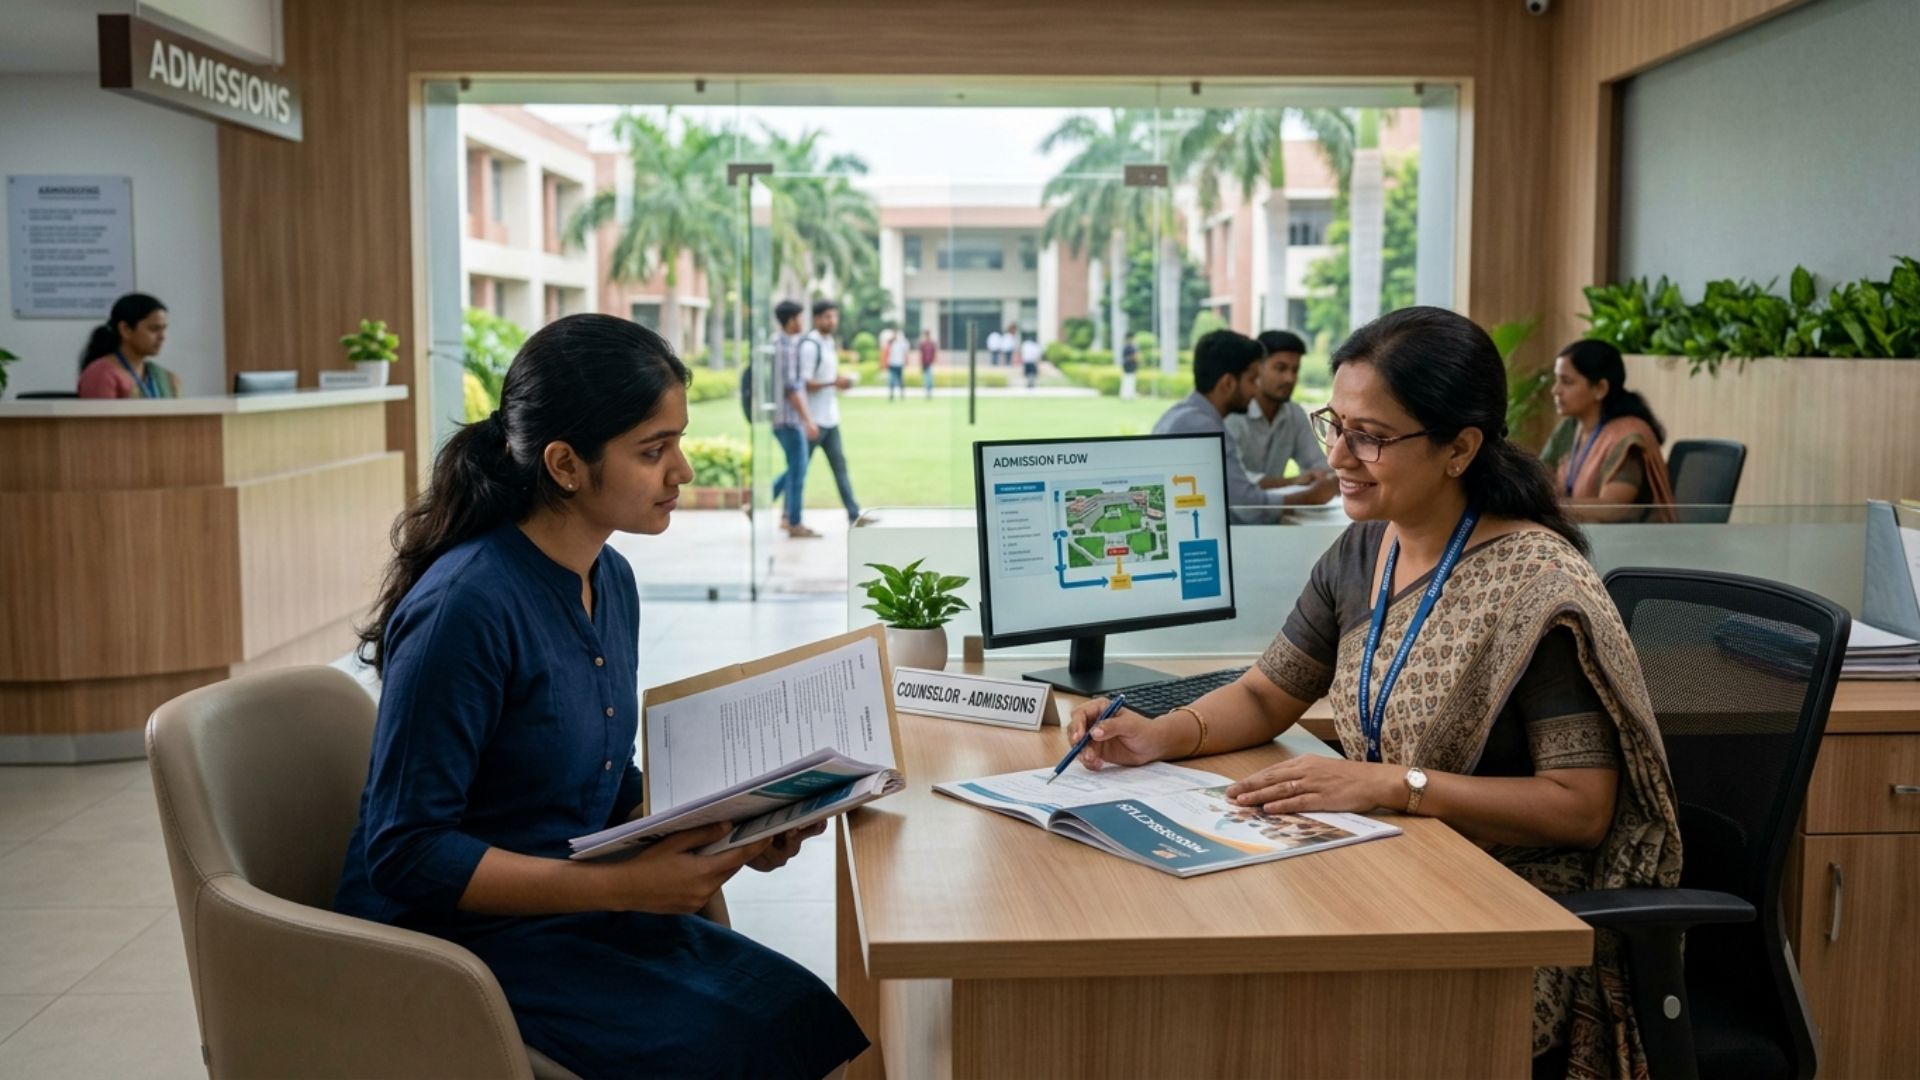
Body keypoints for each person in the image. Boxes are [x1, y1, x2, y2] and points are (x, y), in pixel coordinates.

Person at [1073, 306, 1681, 1077]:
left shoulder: (1537, 588)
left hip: (1512, 910)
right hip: (1396, 867)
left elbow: (1581, 807)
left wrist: (1397, 785)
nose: (1338, 456)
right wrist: (1160, 734)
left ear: (1459, 447)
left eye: (1371, 436)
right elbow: (1267, 693)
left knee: (1293, 1019)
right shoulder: (1364, 547)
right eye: (1336, 424)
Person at [334, 313, 868, 1078]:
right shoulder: (467, 608)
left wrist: (739, 822)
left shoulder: (608, 579)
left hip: (572, 907)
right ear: (565, 464)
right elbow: (407, 853)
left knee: (807, 1013)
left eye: (678, 442)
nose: (681, 471)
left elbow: (603, 785)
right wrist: (623, 886)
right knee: (743, 1045)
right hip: (451, 944)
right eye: (654, 451)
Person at [1151, 329, 1326, 522]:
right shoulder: (1203, 427)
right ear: (1228, 384)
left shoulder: (1184, 416)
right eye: (1252, 380)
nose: (1254, 389)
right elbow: (1246, 504)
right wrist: (1309, 497)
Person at [1541, 340, 1676, 522]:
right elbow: (1539, 480)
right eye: (1556, 380)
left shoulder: (1628, 436)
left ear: (1600, 388)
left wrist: (1549, 507)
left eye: (1567, 382)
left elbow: (1613, 509)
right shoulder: (1569, 428)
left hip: (1633, 543)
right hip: (1585, 534)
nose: (1555, 390)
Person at [771, 300, 862, 525]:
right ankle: (783, 513)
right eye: (828, 317)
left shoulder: (828, 342)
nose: (832, 321)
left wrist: (838, 381)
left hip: (829, 418)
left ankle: (854, 513)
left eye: (834, 316)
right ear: (817, 318)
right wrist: (833, 384)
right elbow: (802, 384)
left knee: (836, 467)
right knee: (797, 469)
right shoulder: (807, 346)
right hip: (811, 420)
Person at [1223, 330, 1337, 505]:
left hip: (1276, 516)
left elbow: (1319, 466)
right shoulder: (1234, 415)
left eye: (1295, 370)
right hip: (1235, 520)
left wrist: (1326, 477)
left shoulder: (1294, 414)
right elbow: (1236, 480)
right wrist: (1292, 481)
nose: (1289, 378)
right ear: (1257, 368)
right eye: (1280, 368)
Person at [768, 300, 821, 539]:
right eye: (800, 317)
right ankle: (795, 522)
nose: (803, 322)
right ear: (791, 321)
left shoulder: (774, 342)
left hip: (778, 419)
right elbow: (792, 388)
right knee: (798, 471)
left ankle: (760, 503)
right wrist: (808, 420)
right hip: (789, 420)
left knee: (794, 467)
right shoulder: (787, 347)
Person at [77, 293, 180, 398]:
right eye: (154, 329)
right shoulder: (100, 375)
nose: (162, 337)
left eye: (164, 329)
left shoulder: (168, 379)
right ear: (125, 330)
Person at [883, 326, 909, 401]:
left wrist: (906, 361)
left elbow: (906, 350)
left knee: (900, 381)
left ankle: (902, 395)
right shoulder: (890, 342)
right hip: (892, 364)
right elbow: (885, 350)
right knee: (891, 380)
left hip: (899, 363)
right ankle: (891, 395)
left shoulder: (902, 342)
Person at [917, 329, 938, 398]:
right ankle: (927, 393)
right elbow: (921, 354)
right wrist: (920, 363)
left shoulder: (932, 343)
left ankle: (930, 393)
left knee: (930, 379)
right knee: (926, 379)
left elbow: (935, 353)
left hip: (930, 363)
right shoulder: (923, 344)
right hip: (924, 363)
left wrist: (934, 361)